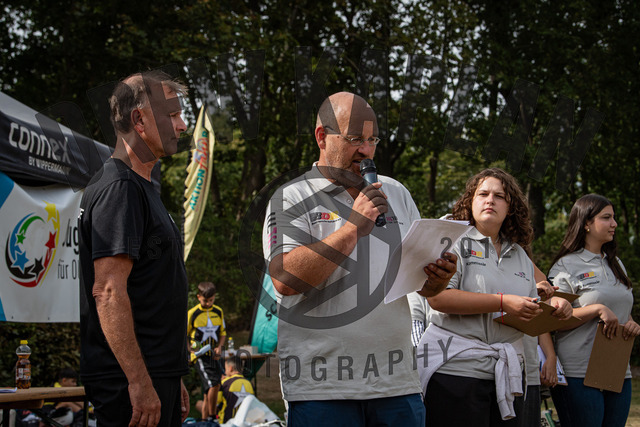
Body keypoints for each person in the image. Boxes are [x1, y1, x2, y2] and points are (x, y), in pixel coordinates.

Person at [262, 91, 456, 426]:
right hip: (323, 389)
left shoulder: (397, 193)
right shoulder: (292, 197)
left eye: (372, 140)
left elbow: (421, 287)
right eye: (354, 139)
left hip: (397, 384)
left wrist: (438, 278)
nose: (366, 150)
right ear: (322, 137)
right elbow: (285, 280)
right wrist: (352, 228)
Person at [78, 70, 190, 427]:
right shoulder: (120, 188)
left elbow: (152, 288)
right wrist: (139, 381)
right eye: (173, 114)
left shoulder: (142, 188)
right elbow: (108, 292)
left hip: (156, 374)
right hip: (130, 385)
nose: (183, 125)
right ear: (139, 120)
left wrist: (172, 373)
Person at [419, 168, 570, 426]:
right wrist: (502, 302)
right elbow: (438, 299)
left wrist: (555, 306)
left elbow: (531, 309)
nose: (490, 200)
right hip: (456, 372)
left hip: (507, 376)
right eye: (483, 194)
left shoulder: (520, 254)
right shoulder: (453, 242)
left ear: (510, 207)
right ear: (470, 202)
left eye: (499, 196)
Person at [548, 194, 640, 427]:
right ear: (586, 223)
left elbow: (621, 308)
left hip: (617, 369)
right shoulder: (565, 265)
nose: (614, 224)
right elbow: (554, 321)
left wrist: (630, 323)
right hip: (578, 372)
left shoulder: (616, 263)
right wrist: (596, 309)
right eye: (606, 218)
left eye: (614, 218)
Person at [187, 281, 227, 421]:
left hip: (214, 355)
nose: (208, 303)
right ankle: (212, 417)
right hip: (199, 355)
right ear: (198, 297)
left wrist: (219, 347)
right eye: (205, 300)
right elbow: (184, 335)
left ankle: (204, 421)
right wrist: (190, 350)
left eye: (211, 300)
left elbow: (222, 333)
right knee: (214, 384)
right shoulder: (192, 313)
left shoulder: (218, 311)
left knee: (208, 391)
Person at [216, 355, 255, 423]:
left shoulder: (224, 383)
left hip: (226, 423)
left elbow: (216, 402)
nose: (225, 372)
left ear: (230, 368)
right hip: (245, 423)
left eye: (226, 369)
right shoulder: (250, 384)